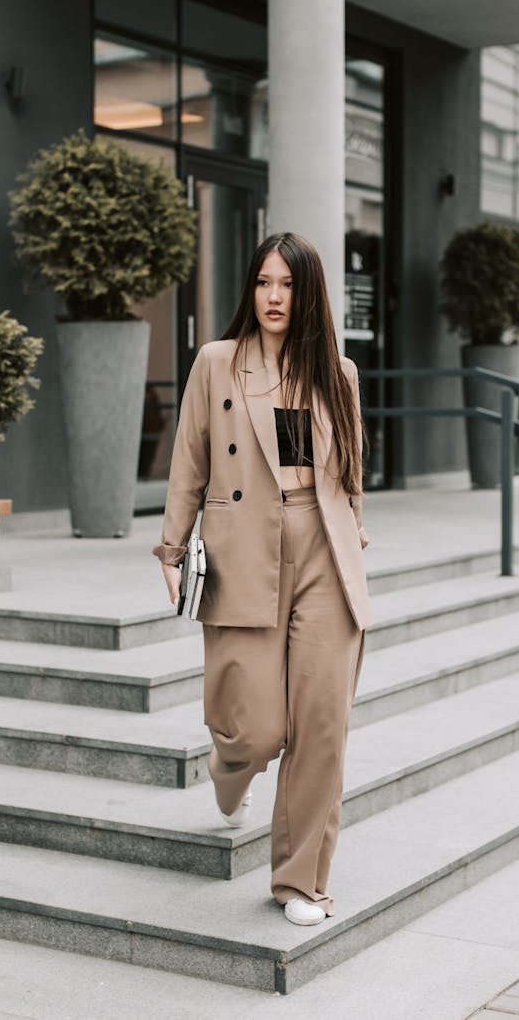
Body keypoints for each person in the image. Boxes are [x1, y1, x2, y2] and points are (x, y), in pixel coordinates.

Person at [153, 231, 371, 927]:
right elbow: (190, 458)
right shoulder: (219, 363)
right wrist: (169, 547)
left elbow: (352, 475)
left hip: (324, 554)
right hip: (244, 548)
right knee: (257, 730)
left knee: (321, 723)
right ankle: (230, 769)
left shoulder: (338, 373)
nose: (274, 296)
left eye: (287, 284)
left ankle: (301, 881)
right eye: (263, 283)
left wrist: (354, 529)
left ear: (308, 293)